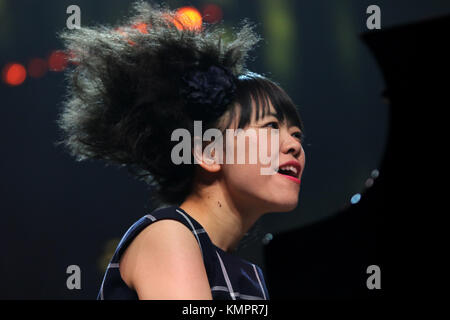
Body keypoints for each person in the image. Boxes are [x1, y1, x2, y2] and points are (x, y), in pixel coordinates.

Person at [56, 1, 305, 300]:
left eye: (297, 134)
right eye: (270, 127)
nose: (295, 145)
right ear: (209, 152)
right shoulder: (169, 235)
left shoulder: (250, 275)